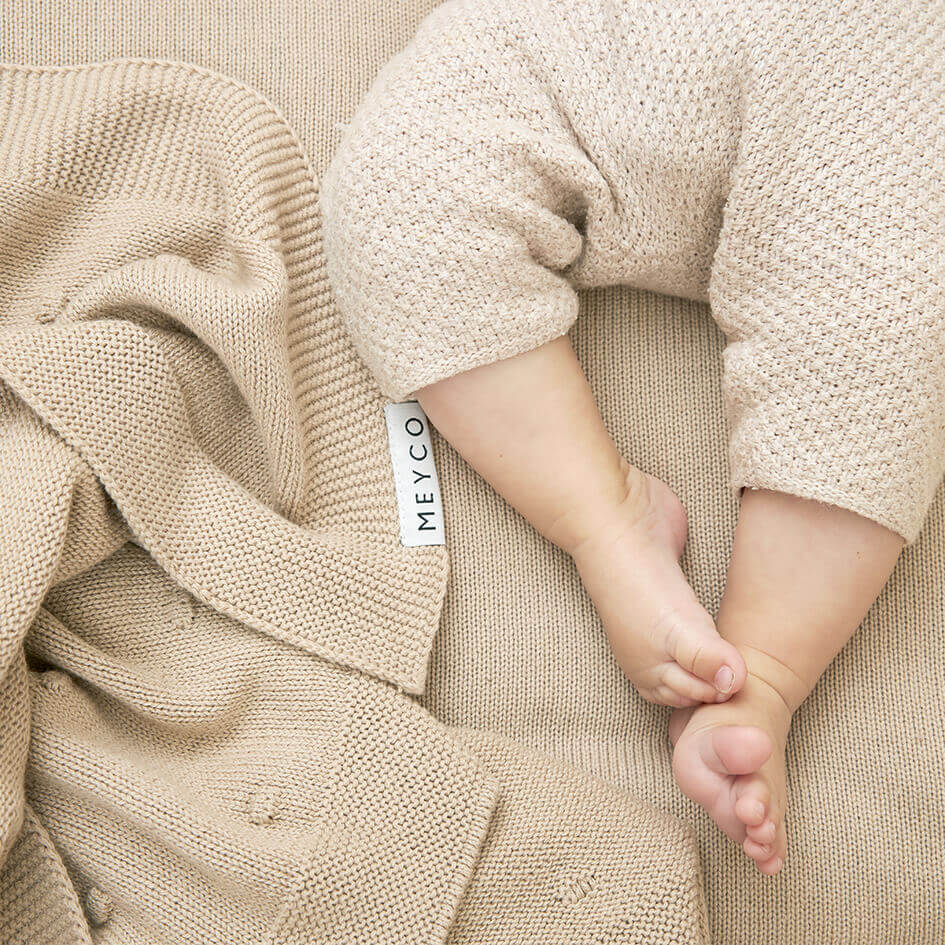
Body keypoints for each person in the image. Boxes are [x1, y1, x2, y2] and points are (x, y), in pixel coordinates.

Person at [321, 0, 945, 875]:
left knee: (878, 336)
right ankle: (607, 519)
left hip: (885, 79)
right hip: (624, 48)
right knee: (401, 188)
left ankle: (756, 674)